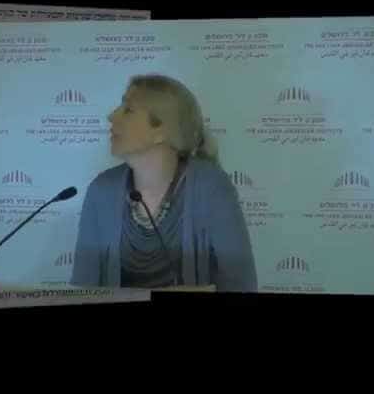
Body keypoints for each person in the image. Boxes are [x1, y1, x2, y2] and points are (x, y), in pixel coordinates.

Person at [71, 73, 257, 292]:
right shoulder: (102, 189)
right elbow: (84, 288)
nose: (111, 116)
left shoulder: (211, 187)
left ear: (161, 130)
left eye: (128, 110)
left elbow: (241, 284)